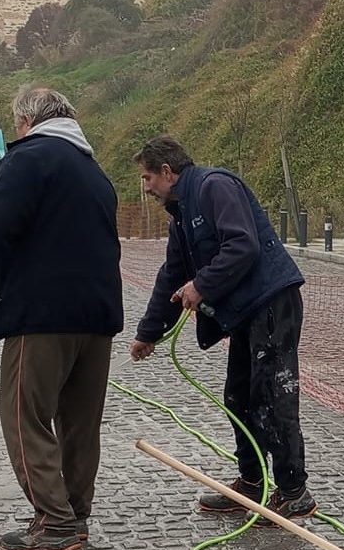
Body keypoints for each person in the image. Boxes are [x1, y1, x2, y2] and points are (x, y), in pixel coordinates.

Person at [0, 86, 123, 550]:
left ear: (26, 121)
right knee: (80, 423)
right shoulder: (93, 172)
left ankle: (55, 522)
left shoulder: (29, 159)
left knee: (24, 417)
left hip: (42, 317)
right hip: (97, 318)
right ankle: (75, 514)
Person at [128, 137, 313, 519]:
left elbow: (242, 245)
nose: (145, 188)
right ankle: (251, 483)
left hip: (272, 303)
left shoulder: (216, 186)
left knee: (272, 396)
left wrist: (202, 285)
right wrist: (148, 333)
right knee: (238, 397)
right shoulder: (180, 212)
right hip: (244, 312)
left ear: (167, 172)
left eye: (148, 178)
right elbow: (172, 275)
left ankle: (294, 491)